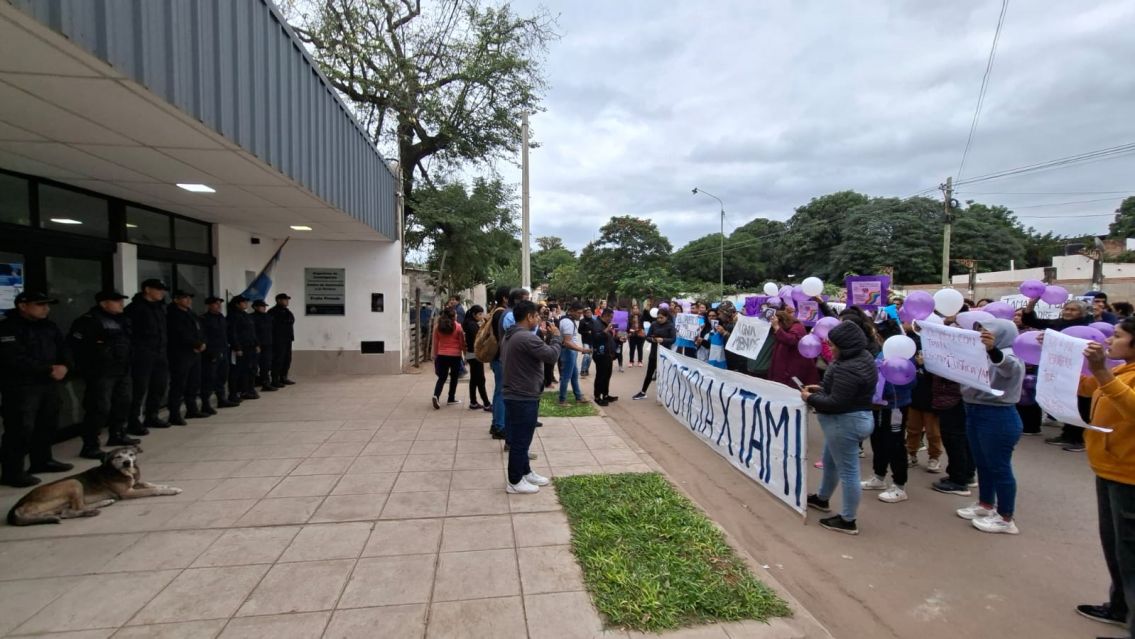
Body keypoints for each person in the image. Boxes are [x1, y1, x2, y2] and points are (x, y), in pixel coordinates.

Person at [1075, 319, 1135, 633]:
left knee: (1130, 554)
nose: (1111, 339)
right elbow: (1089, 386)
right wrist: (1058, 357)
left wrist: (1101, 371)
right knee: (1115, 546)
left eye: (1119, 335)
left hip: (1129, 476)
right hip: (1108, 468)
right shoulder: (1122, 369)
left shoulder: (1117, 373)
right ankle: (1119, 607)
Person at [803, 321, 878, 535]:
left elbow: (837, 402)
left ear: (846, 346)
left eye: (834, 345)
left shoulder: (849, 367)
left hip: (845, 422)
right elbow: (840, 390)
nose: (831, 349)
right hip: (848, 420)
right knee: (829, 461)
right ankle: (822, 498)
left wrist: (811, 397)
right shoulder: (859, 358)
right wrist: (822, 388)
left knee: (848, 471)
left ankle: (848, 519)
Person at [956, 319, 1025, 535]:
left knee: (999, 466)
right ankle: (985, 504)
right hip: (974, 410)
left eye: (987, 332)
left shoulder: (1011, 354)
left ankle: (1006, 517)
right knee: (982, 463)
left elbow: (1008, 368)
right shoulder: (979, 353)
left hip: (997, 415)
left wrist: (993, 350)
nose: (982, 336)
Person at [0, 292, 74, 487]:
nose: (45, 308)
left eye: (47, 305)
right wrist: (49, 369)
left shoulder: (49, 326)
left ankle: (42, 460)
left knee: (47, 423)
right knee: (20, 428)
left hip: (49, 384)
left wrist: (65, 366)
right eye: (40, 304)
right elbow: (13, 358)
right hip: (21, 386)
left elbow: (64, 348)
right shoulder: (8, 328)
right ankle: (12, 471)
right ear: (23, 306)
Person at [500, 300, 561, 494]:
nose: (538, 320)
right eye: (536, 316)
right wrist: (556, 337)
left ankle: (525, 471)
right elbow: (551, 356)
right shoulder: (526, 337)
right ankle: (515, 481)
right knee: (521, 440)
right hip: (522, 395)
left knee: (522, 438)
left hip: (517, 393)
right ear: (529, 317)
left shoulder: (510, 335)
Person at [69, 290, 138, 459]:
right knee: (99, 408)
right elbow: (76, 347)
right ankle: (90, 445)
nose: (121, 304)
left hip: (122, 369)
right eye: (116, 301)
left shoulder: (122, 320)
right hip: (100, 372)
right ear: (103, 303)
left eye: (121, 301)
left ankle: (117, 434)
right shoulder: (88, 321)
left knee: (123, 403)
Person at [124, 279, 170, 435]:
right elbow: (129, 334)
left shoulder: (160, 308)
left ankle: (152, 416)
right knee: (139, 390)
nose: (162, 293)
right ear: (147, 289)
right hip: (142, 356)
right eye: (158, 289)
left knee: (159, 387)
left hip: (160, 353)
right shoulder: (135, 309)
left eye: (163, 290)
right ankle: (133, 421)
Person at [166, 290, 208, 425]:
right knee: (179, 384)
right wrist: (196, 344)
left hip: (195, 353)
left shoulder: (191, 313)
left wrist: (202, 343)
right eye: (185, 298)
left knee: (194, 382)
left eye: (190, 298)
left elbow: (200, 330)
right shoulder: (172, 315)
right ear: (176, 300)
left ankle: (192, 409)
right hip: (181, 353)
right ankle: (174, 414)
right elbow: (179, 333)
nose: (189, 300)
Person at [768, 306, 819, 387]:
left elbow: (792, 340)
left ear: (783, 321)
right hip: (784, 368)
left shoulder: (797, 327)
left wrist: (777, 327)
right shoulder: (786, 328)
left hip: (792, 369)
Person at [200, 296, 236, 411]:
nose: (219, 306)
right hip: (211, 352)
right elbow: (203, 336)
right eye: (216, 304)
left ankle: (222, 399)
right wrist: (209, 351)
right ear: (209, 305)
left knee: (222, 376)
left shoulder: (221, 318)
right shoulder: (204, 319)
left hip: (223, 350)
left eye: (219, 303)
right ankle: (205, 403)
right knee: (209, 378)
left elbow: (226, 333)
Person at [633, 308, 676, 400]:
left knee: (664, 375)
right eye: (658, 318)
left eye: (661, 318)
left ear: (666, 317)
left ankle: (665, 395)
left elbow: (673, 339)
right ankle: (643, 392)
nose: (659, 319)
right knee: (649, 373)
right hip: (654, 352)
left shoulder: (671, 326)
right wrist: (653, 339)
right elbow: (647, 337)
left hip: (665, 354)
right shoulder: (654, 324)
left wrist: (663, 340)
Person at [488, 286, 511, 439]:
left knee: (499, 391)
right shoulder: (502, 313)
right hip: (500, 357)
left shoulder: (496, 311)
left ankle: (496, 423)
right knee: (501, 392)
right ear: (505, 298)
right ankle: (500, 427)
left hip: (496, 357)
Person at [558, 301, 591, 405]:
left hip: (571, 351)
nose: (580, 315)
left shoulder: (569, 320)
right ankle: (562, 400)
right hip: (569, 351)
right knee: (566, 377)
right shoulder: (567, 322)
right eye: (578, 313)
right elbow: (567, 342)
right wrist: (582, 349)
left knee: (574, 376)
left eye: (581, 313)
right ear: (571, 311)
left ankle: (578, 397)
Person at [227, 295, 258, 403]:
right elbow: (232, 333)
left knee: (249, 369)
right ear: (237, 304)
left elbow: (252, 331)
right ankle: (234, 393)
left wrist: (256, 344)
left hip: (250, 347)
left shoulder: (245, 315)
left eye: (246, 302)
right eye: (243, 302)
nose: (246, 304)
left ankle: (247, 390)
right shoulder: (233, 316)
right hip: (240, 348)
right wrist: (237, 347)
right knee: (236, 371)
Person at [431, 308, 464, 409]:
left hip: (442, 355)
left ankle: (436, 395)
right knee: (454, 378)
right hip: (455, 356)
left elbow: (435, 342)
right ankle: (451, 398)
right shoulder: (458, 327)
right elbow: (462, 343)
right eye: (456, 314)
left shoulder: (438, 327)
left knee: (442, 377)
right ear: (453, 316)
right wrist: (464, 354)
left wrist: (434, 355)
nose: (457, 316)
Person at [591, 308, 621, 406]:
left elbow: (609, 338)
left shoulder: (606, 325)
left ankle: (605, 395)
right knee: (601, 376)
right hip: (600, 354)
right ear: (605, 315)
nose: (611, 319)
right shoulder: (596, 324)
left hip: (608, 354)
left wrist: (619, 339)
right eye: (610, 317)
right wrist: (606, 330)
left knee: (607, 375)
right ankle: (597, 397)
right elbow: (596, 338)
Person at [463, 305, 490, 410]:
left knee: (474, 379)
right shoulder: (472, 325)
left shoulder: (470, 323)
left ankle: (473, 402)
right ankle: (487, 404)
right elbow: (479, 339)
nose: (481, 316)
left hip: (471, 354)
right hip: (475, 355)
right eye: (479, 314)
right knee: (480, 379)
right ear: (474, 314)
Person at [269, 293, 296, 386]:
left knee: (287, 359)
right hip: (278, 340)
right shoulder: (273, 312)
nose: (287, 301)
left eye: (287, 299)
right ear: (278, 300)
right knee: (278, 359)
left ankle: (283, 377)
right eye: (285, 299)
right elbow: (274, 325)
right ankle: (275, 379)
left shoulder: (287, 311)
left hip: (287, 338)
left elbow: (291, 320)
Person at [251, 300, 277, 393]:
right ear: (255, 307)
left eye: (264, 306)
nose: (264, 308)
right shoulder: (251, 317)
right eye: (262, 306)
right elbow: (252, 333)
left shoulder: (268, 317)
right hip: (256, 345)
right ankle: (250, 385)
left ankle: (265, 383)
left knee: (266, 365)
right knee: (253, 366)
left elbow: (272, 330)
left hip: (268, 344)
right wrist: (256, 344)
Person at [579, 306, 595, 378]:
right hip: (585, 341)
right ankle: (582, 370)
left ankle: (586, 369)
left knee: (590, 357)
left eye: (590, 312)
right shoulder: (582, 321)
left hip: (593, 341)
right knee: (586, 355)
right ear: (584, 314)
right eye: (587, 313)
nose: (589, 314)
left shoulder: (594, 320)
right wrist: (586, 332)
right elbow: (579, 331)